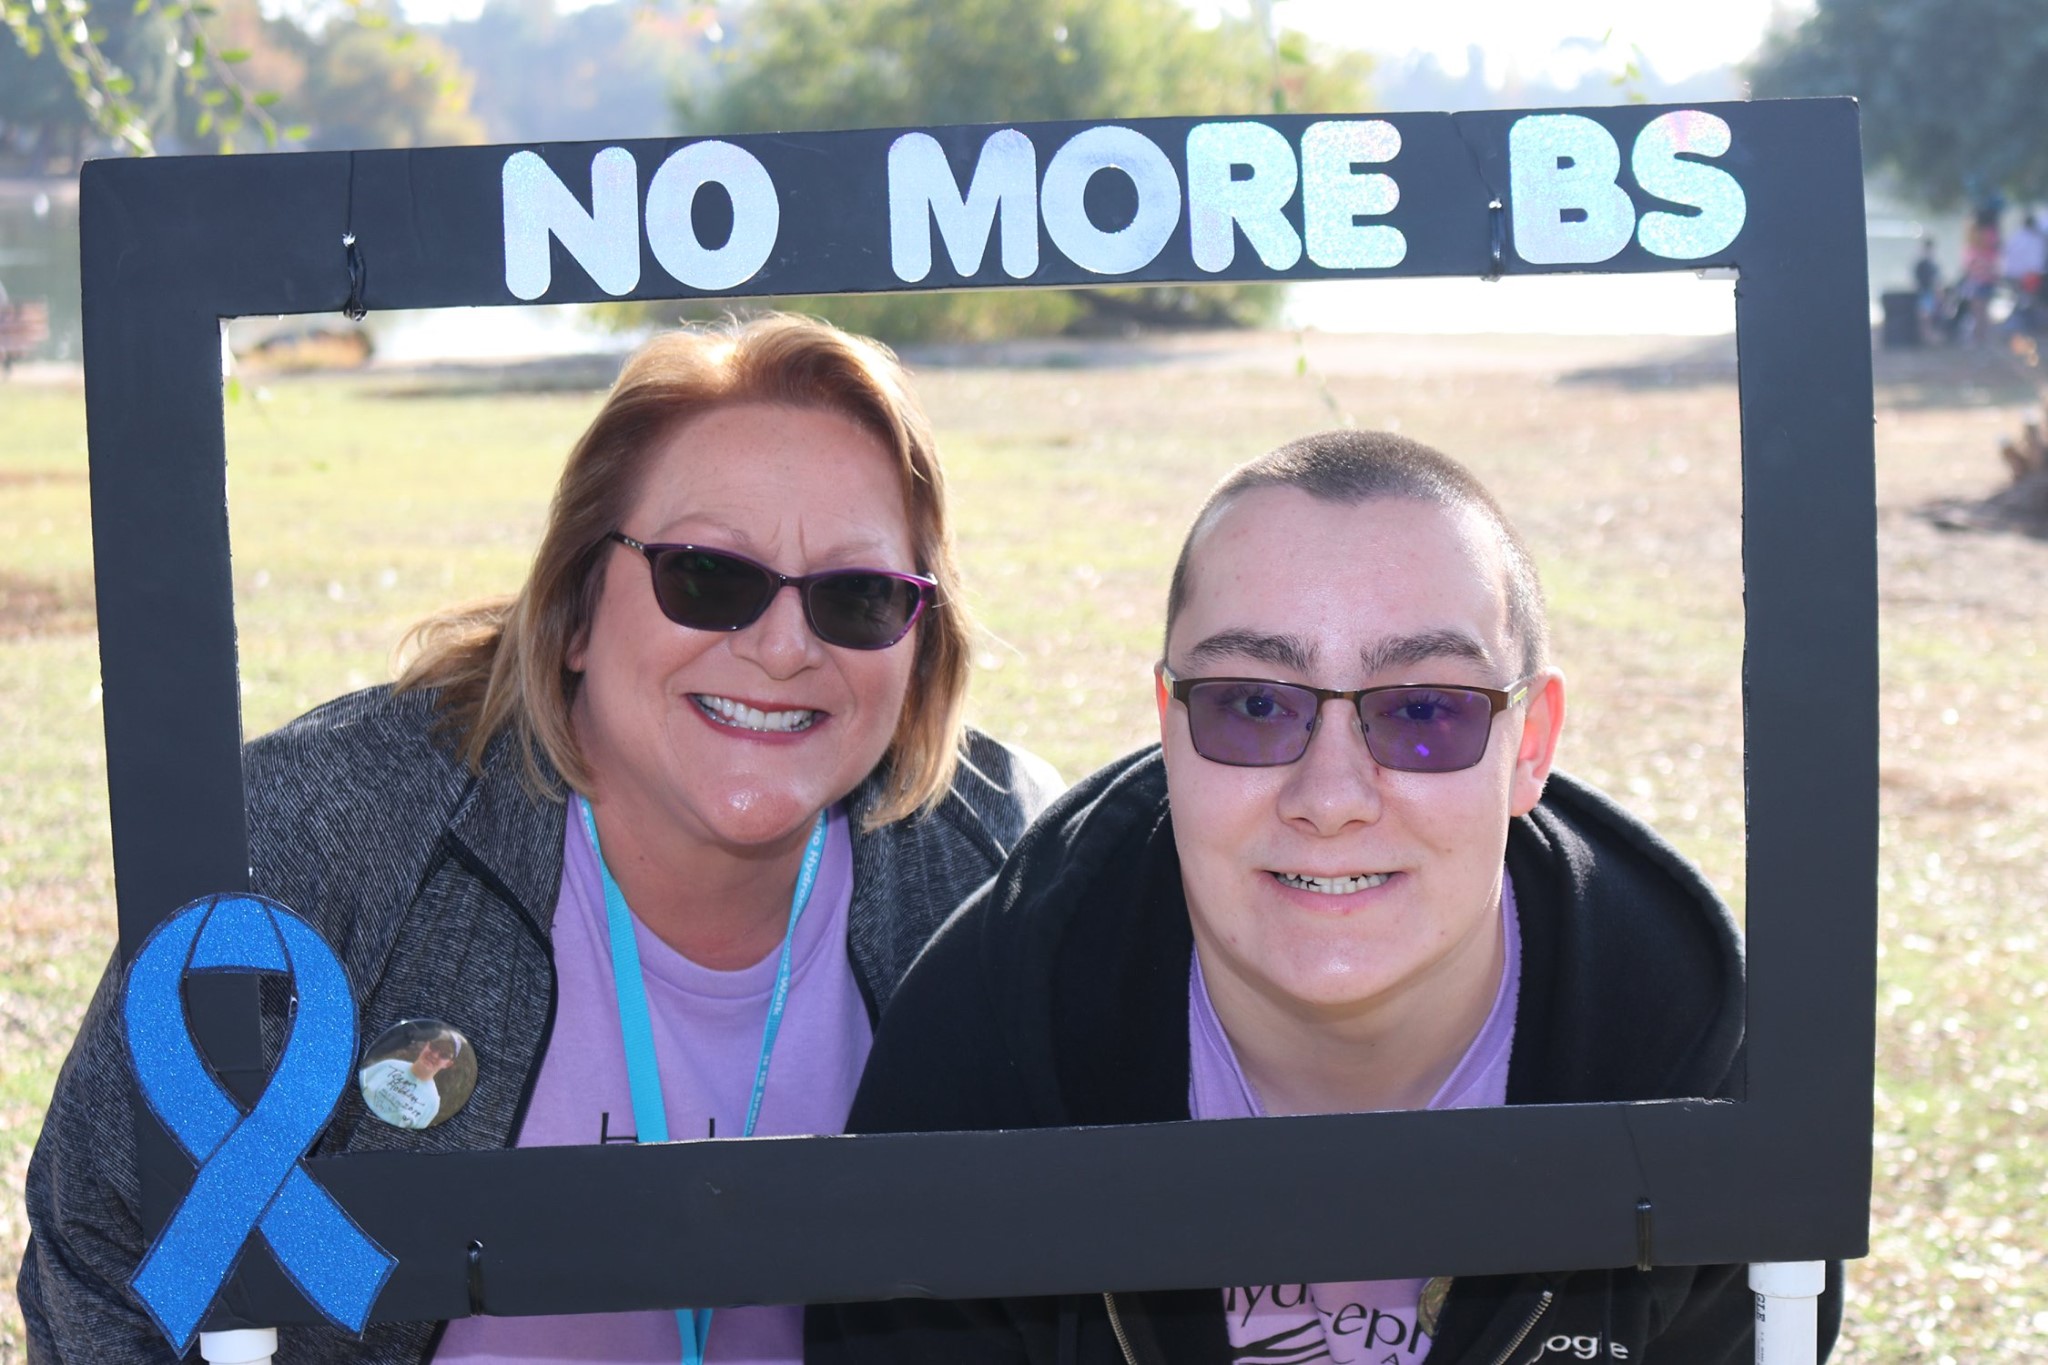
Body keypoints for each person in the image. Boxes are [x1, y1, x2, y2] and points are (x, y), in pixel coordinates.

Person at [21, 314, 1061, 1364]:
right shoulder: (333, 833)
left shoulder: (1002, 870)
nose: (785, 647)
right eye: (706, 574)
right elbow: (111, 1249)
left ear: (921, 643)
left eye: (860, 595)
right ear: (570, 611)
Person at [809, 431, 1841, 1364]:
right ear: (1168, 731)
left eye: (1424, 711)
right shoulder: (981, 1052)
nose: (1331, 797)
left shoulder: (1700, 1079)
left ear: (1529, 748)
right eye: (1252, 706)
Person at [358, 1035, 462, 1131]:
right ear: (426, 1045)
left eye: (444, 1055)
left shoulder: (432, 1103)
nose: (434, 1055)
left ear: (448, 1064)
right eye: (434, 1047)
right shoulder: (388, 1065)